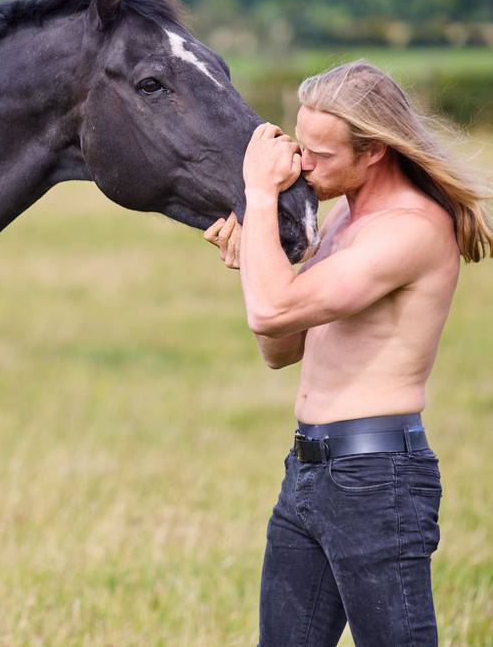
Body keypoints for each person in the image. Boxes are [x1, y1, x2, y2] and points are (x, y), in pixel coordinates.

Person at [204, 60, 493, 645]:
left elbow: (272, 310)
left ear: (375, 151)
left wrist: (259, 196)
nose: (304, 166)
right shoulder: (342, 221)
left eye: (322, 155)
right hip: (309, 473)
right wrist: (257, 260)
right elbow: (278, 347)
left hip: (374, 479)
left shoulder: (409, 228)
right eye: (300, 146)